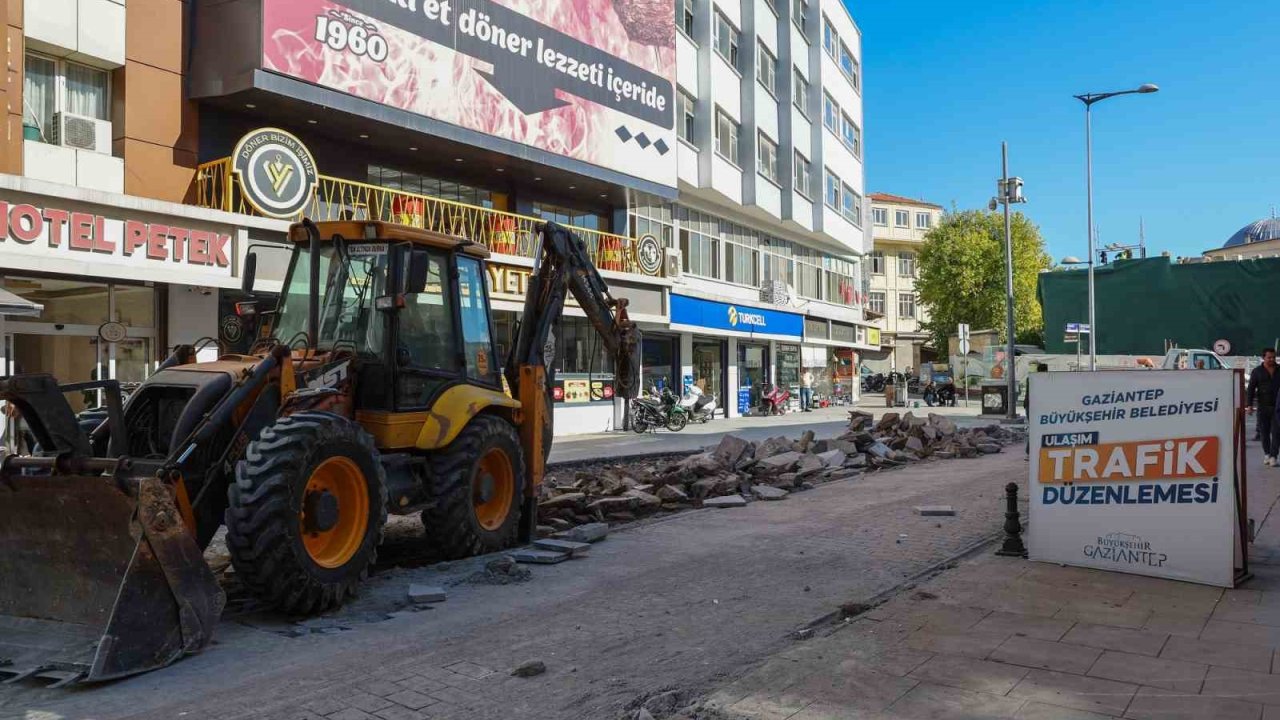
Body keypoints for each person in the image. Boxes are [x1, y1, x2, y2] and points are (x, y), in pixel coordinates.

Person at [1247, 348, 1280, 466]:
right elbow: (1251, 389)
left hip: (1277, 408)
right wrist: (1249, 405)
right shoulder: (1257, 371)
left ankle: (1273, 456)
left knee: (1276, 433)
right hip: (1262, 406)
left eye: (1273, 357)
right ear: (1263, 358)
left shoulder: (1279, 370)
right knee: (1264, 432)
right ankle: (1267, 454)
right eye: (1269, 357)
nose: (1272, 359)